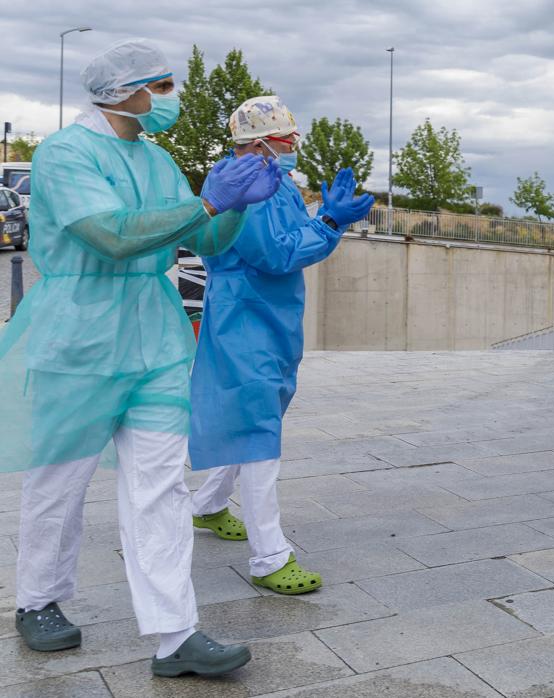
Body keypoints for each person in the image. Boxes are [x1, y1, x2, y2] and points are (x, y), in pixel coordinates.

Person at [0, 39, 281, 675]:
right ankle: (38, 599)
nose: (168, 97)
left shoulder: (156, 160)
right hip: (81, 335)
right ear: (120, 91)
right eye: (161, 85)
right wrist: (207, 202)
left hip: (153, 337)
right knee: (59, 482)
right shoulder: (64, 153)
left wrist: (234, 207)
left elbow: (202, 236)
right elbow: (109, 237)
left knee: (159, 487)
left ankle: (175, 634)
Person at [188, 96, 374, 594]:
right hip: (245, 318)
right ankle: (270, 556)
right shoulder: (245, 186)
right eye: (289, 138)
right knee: (259, 426)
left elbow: (290, 236)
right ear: (262, 142)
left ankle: (206, 505)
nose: (295, 146)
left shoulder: (273, 182)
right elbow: (277, 253)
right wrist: (330, 224)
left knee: (257, 417)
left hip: (269, 317)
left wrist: (321, 217)